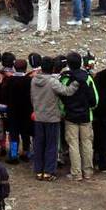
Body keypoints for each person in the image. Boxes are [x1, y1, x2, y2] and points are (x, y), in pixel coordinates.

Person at [30, 55, 78, 181]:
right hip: (52, 117)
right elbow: (67, 91)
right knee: (51, 145)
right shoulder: (52, 81)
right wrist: (76, 82)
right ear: (52, 67)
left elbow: (32, 97)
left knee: (39, 144)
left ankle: (38, 170)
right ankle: (48, 171)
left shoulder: (34, 80)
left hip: (39, 116)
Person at [60, 51, 99, 181]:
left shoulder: (65, 78)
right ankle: (88, 171)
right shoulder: (87, 78)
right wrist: (90, 108)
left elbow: (61, 98)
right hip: (86, 116)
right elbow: (95, 99)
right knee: (87, 143)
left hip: (70, 116)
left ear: (68, 65)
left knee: (73, 144)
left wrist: (63, 111)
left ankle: (76, 173)